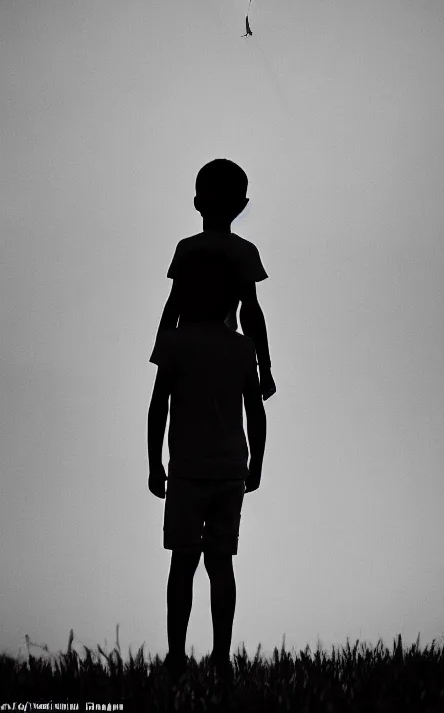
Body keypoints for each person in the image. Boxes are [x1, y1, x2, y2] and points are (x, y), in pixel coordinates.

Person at [147, 248, 267, 688]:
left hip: (186, 470)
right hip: (229, 470)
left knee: (183, 564)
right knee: (221, 563)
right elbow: (256, 410)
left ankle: (176, 657)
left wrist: (153, 462)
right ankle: (221, 657)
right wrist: (257, 461)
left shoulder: (175, 344)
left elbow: (158, 404)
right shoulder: (242, 348)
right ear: (232, 302)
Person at [150, 158, 276, 401]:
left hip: (186, 350)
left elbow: (173, 304)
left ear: (197, 202)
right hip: (226, 351)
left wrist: (162, 353)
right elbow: (251, 312)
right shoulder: (243, 251)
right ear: (242, 205)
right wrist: (265, 368)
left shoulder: (187, 248)